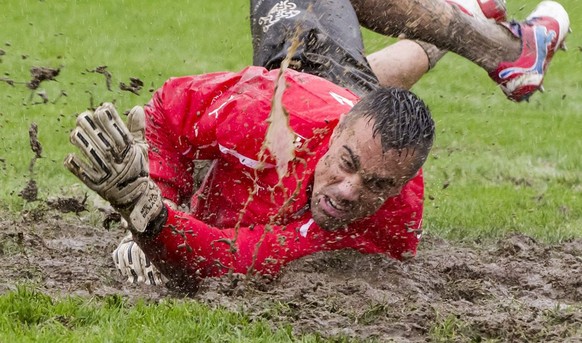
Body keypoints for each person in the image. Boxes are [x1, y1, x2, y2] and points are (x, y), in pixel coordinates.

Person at [65, 0, 569, 290]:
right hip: (309, 98)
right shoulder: (267, 111)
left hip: (338, 98)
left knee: (354, 74)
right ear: (335, 135)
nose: (350, 192)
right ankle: (490, 35)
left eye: (375, 185)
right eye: (346, 165)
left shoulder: (385, 224)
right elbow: (170, 106)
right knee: (342, 72)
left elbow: (231, 259)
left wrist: (149, 217)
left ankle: (485, 33)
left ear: (399, 187)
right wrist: (164, 191)